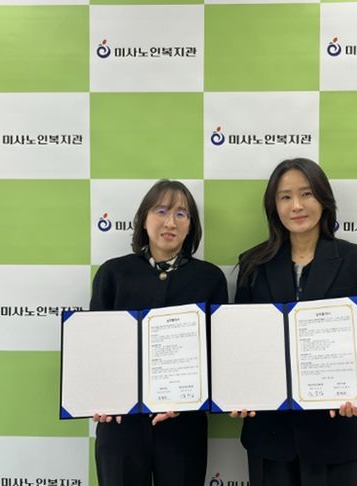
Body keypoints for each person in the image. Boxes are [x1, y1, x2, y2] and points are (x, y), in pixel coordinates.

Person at [234, 158, 357, 486]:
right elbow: (242, 339)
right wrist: (240, 390)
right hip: (270, 433)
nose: (297, 206)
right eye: (285, 197)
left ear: (323, 199)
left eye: (306, 194)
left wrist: (353, 381)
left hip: (338, 428)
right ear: (274, 206)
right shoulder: (253, 264)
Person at [90, 180, 228, 486]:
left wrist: (185, 399)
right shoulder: (113, 274)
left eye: (181, 214)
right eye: (161, 211)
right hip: (121, 424)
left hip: (183, 426)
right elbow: (95, 348)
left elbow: (218, 355)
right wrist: (97, 397)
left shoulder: (209, 278)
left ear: (191, 225)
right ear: (143, 219)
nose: (170, 222)